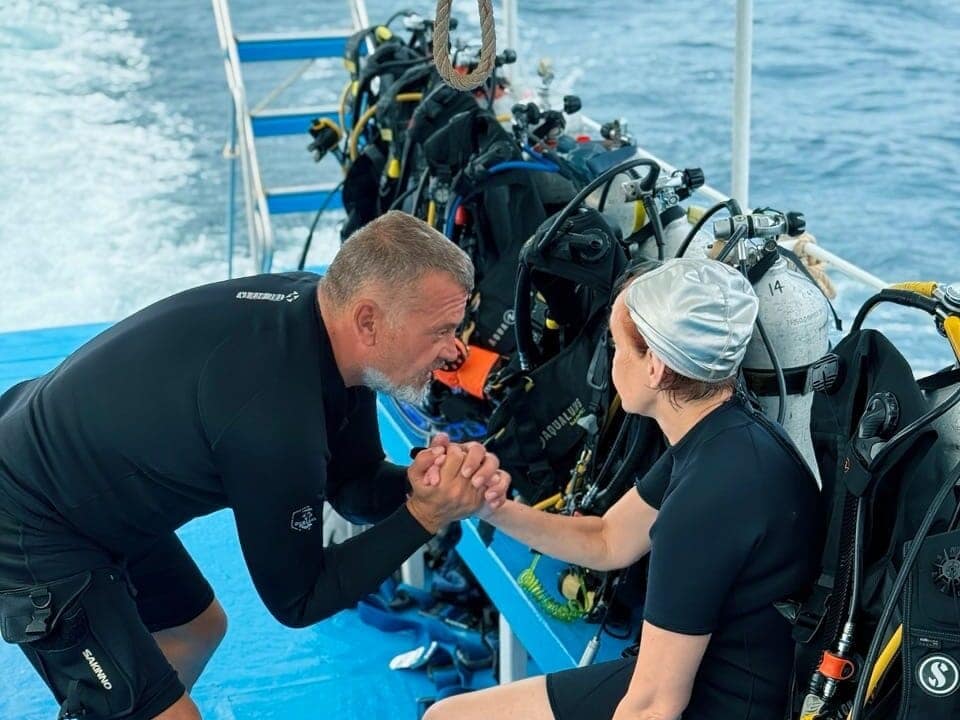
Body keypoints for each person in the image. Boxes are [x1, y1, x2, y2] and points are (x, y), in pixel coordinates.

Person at [0, 210, 510, 720]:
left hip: (82, 482)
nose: (455, 352)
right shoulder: (275, 414)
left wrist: (416, 487)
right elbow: (299, 600)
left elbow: (352, 486)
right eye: (440, 330)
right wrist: (425, 517)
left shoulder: (326, 327)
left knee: (196, 629)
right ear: (369, 320)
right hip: (30, 516)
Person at [424, 258, 821, 720]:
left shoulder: (704, 502)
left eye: (616, 347)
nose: (611, 362)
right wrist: (492, 509)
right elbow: (608, 538)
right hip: (706, 676)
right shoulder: (724, 434)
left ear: (654, 366)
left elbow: (653, 707)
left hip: (717, 703)